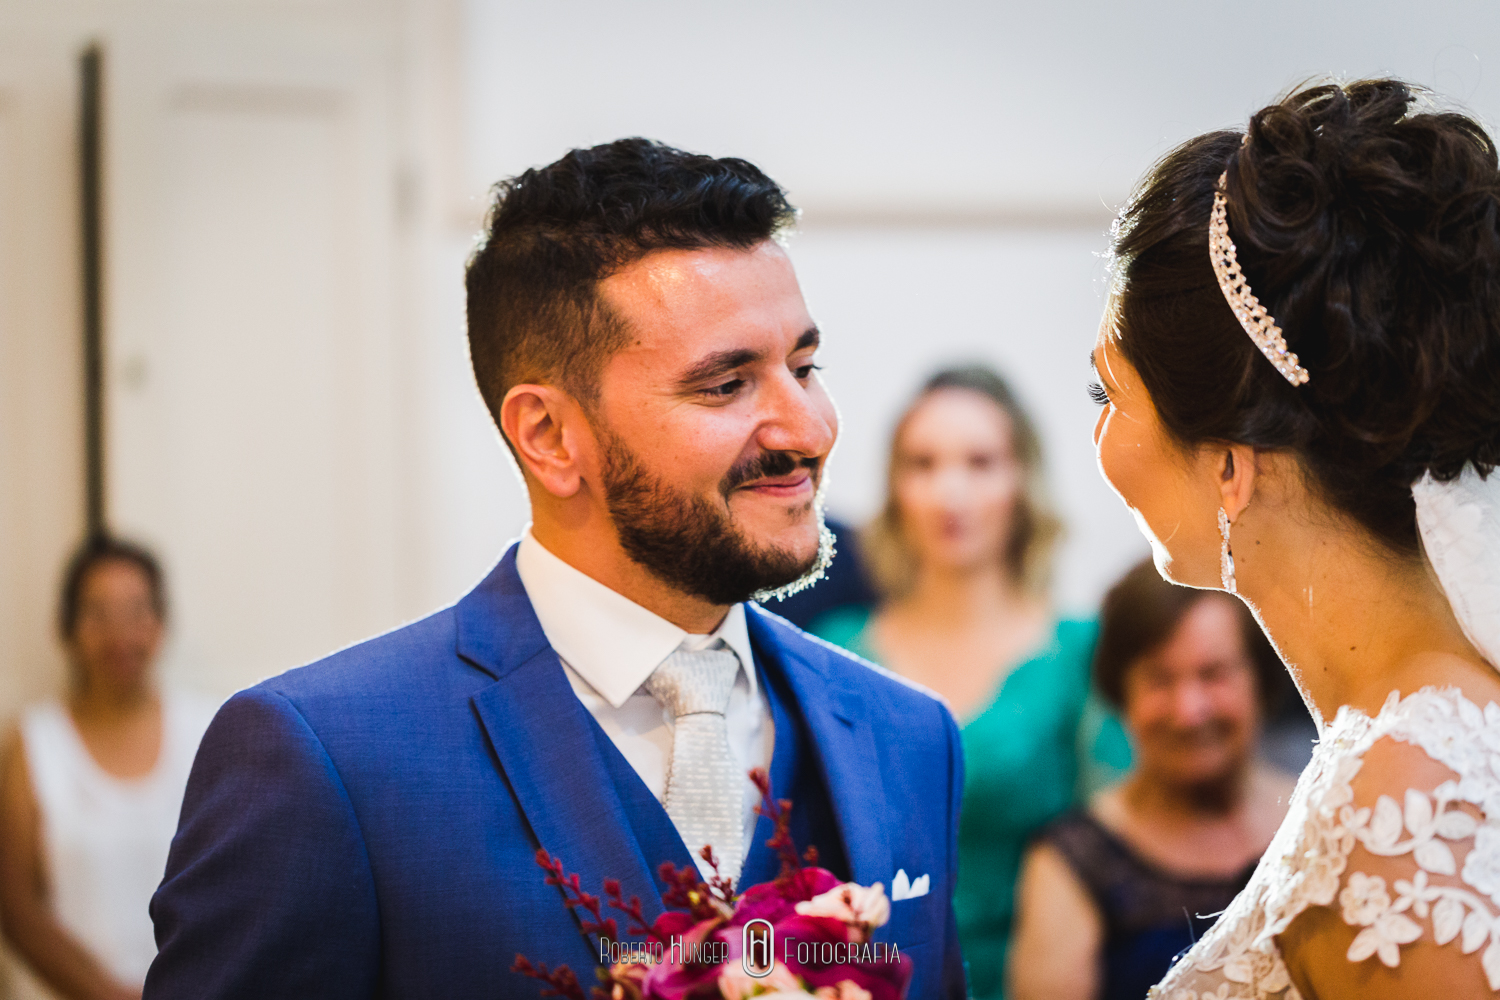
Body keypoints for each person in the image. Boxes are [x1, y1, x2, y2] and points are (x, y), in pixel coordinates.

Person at [144, 139, 967, 999]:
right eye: (727, 385)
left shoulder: (908, 739)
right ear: (548, 436)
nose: (808, 429)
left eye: (804, 367)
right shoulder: (328, 762)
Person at [1090, 79, 1500, 998]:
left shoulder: (1404, 806)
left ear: (1233, 466)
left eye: (1108, 398)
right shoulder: (1416, 743)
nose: (1100, 446)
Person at [810, 365, 1131, 999]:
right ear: (894, 486)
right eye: (923, 463)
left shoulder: (1084, 651)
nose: (949, 491)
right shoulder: (834, 651)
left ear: (1022, 481)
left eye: (980, 462)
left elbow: (1123, 849)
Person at [1009, 559, 1294, 1000]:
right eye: (1160, 680)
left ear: (1262, 678)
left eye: (1213, 674)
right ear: (1121, 692)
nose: (1188, 711)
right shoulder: (1069, 862)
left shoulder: (1323, 822)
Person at [0, 537, 215, 1000]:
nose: (120, 634)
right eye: (98, 613)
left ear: (160, 624)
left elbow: (238, 885)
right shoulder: (34, 743)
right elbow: (16, 907)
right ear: (68, 628)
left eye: (136, 611)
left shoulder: (208, 733)